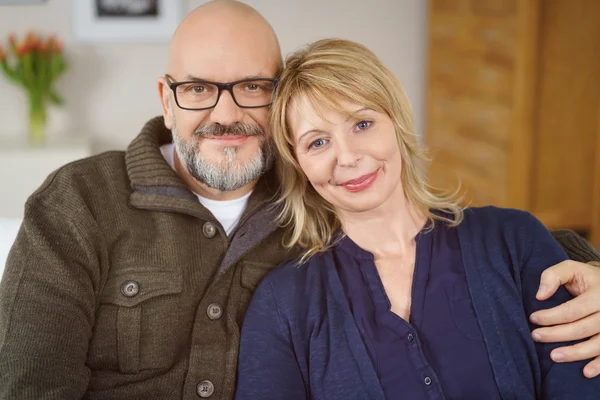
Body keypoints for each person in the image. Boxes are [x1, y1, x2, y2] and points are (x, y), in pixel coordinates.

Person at [0, 1, 598, 399]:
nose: (226, 113)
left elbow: (508, 250)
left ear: (278, 99)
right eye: (200, 88)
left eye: (252, 88)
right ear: (166, 95)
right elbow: (27, 381)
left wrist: (591, 272)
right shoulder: (80, 202)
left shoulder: (301, 194)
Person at [235, 38, 600, 399]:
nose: (347, 157)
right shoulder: (282, 305)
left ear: (396, 121)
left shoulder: (514, 242)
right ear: (299, 165)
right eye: (317, 142)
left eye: (362, 124)